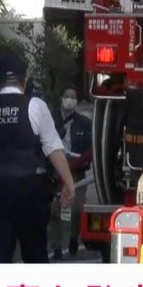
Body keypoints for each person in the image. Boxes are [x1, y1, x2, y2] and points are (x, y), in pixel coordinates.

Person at [0, 50, 75, 264]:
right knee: (35, 257)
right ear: (24, 80)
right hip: (31, 196)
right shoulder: (36, 106)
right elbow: (54, 149)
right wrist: (69, 183)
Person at [49, 87, 92, 260]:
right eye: (67, 96)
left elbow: (91, 147)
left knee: (76, 208)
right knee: (54, 211)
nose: (69, 99)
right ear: (61, 97)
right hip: (54, 171)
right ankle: (56, 246)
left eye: (73, 97)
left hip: (76, 171)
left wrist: (82, 161)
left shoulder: (84, 123)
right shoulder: (50, 119)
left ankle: (74, 238)